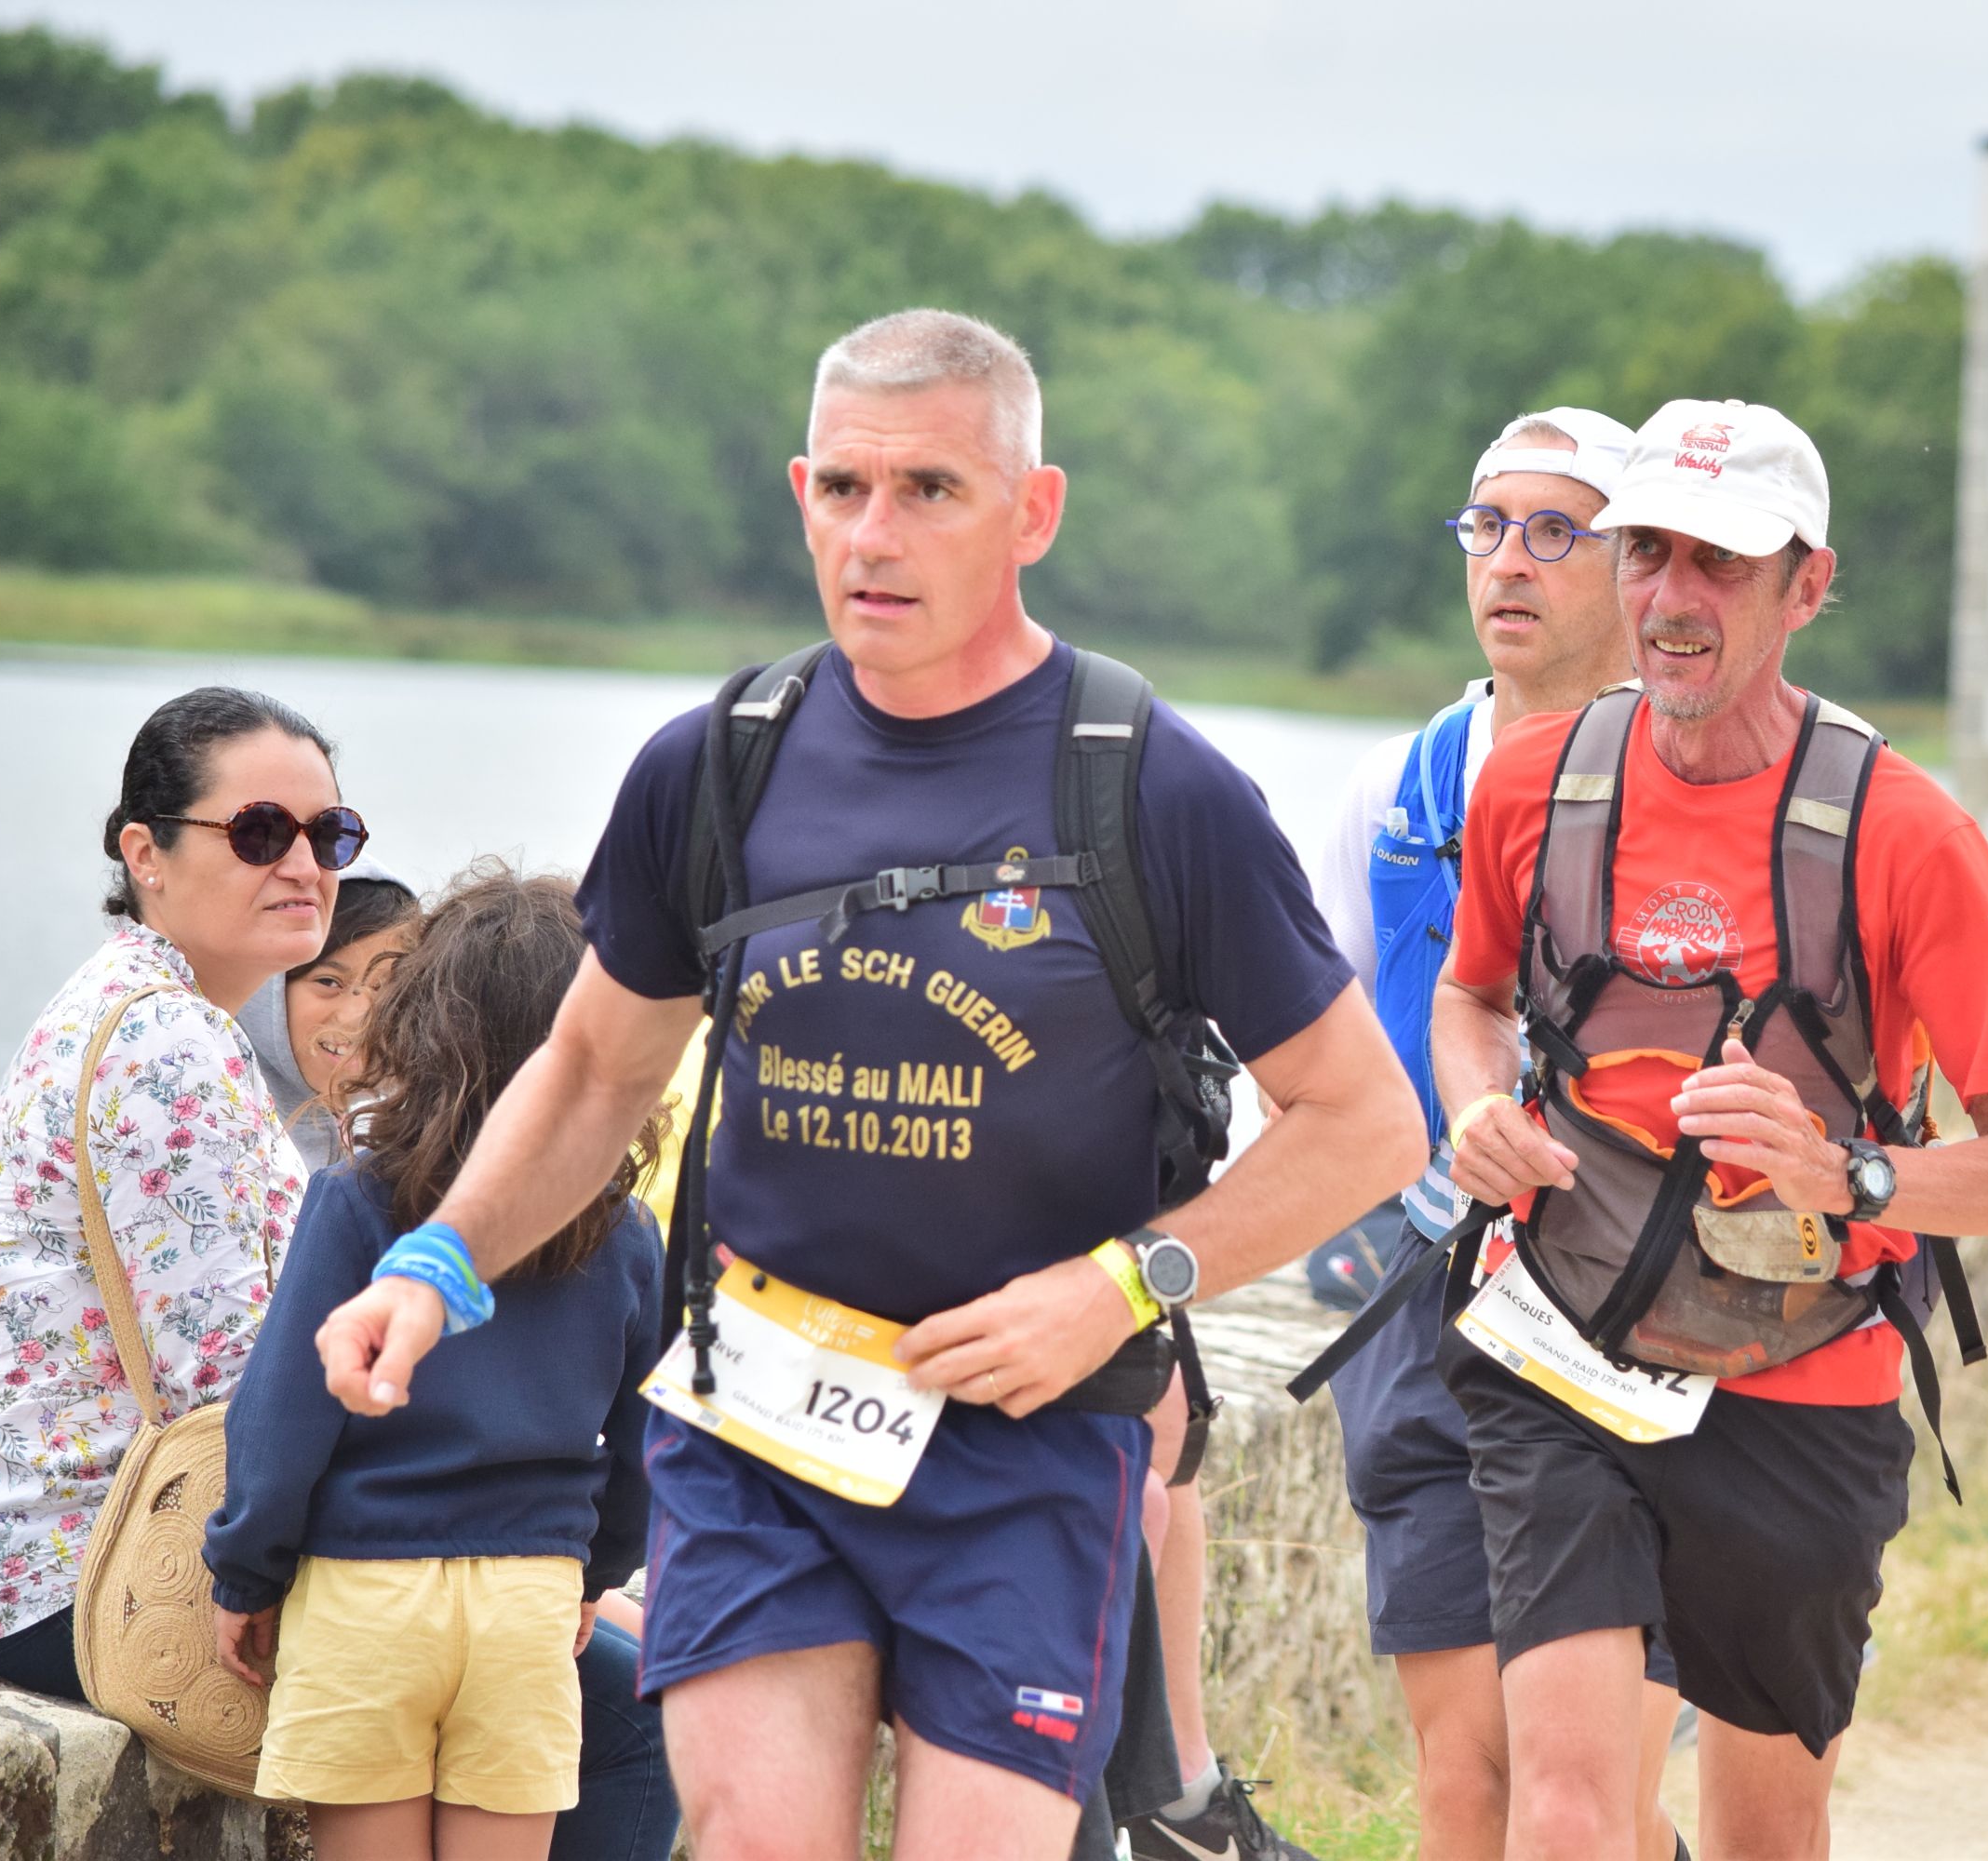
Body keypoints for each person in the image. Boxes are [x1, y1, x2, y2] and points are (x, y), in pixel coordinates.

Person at [307, 307, 1425, 1861]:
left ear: (1032, 511)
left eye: (929, 490)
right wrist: (436, 1266)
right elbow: (594, 1070)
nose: (873, 536)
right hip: (761, 1418)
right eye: (842, 488)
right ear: (800, 494)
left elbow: (1368, 1123)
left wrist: (1122, 1286)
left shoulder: (1148, 782)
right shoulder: (719, 764)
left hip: (1029, 1436)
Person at [1433, 397, 1988, 1860]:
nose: (1671, 596)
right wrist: (1476, 1106)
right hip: (1563, 1348)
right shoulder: (1534, 780)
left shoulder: (1907, 834)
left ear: (1807, 585)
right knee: (1563, 1811)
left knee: (1766, 1834)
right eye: (1646, 550)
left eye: (1720, 561)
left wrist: (1845, 1171)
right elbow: (1468, 995)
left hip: (1804, 1378)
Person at [1292, 406, 1691, 1861]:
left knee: (1588, 1799)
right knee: (1466, 1783)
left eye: (1555, 531)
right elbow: (1314, 1048)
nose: (1509, 562)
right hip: (1424, 1306)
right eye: (1488, 527)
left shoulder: (1711, 785)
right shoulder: (1397, 789)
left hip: (1644, 1308)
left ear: (1635, 566)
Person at [204, 865, 663, 1861]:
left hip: (363, 1594)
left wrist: (245, 1574)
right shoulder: (624, 1229)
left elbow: (281, 1418)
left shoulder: (356, 1199)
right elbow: (648, 1439)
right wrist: (597, 1573)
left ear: (420, 1024)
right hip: (530, 1597)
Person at [0, 688, 350, 1694]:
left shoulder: (128, 1001)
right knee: (624, 1713)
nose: (303, 865)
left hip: (62, 1559)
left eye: (329, 833)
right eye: (261, 832)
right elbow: (230, 1378)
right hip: (100, 1578)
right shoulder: (166, 1037)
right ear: (145, 853)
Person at [242, 859, 421, 1170]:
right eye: (328, 982)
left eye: (385, 989)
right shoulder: (218, 1124)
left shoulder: (394, 1143)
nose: (359, 1017)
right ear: (265, 985)